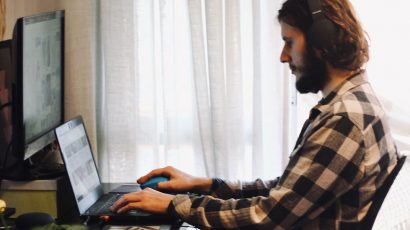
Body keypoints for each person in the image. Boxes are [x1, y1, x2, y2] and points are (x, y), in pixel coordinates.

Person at [111, 0, 399, 228]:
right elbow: (287, 191)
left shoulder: (344, 120)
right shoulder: (353, 102)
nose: (283, 56)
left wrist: (174, 205)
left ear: (322, 41)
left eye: (289, 42)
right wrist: (206, 185)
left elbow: (269, 216)